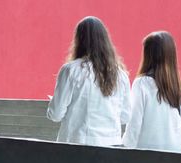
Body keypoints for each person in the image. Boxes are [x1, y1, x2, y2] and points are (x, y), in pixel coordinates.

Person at [47, 16, 131, 147]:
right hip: (111, 146)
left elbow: (55, 114)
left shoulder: (70, 70)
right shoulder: (121, 75)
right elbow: (125, 116)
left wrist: (54, 102)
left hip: (76, 144)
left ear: (79, 40)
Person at [122, 31, 181, 153]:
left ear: (148, 55)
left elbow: (134, 121)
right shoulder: (177, 85)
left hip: (148, 153)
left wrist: (128, 145)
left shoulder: (141, 83)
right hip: (178, 152)